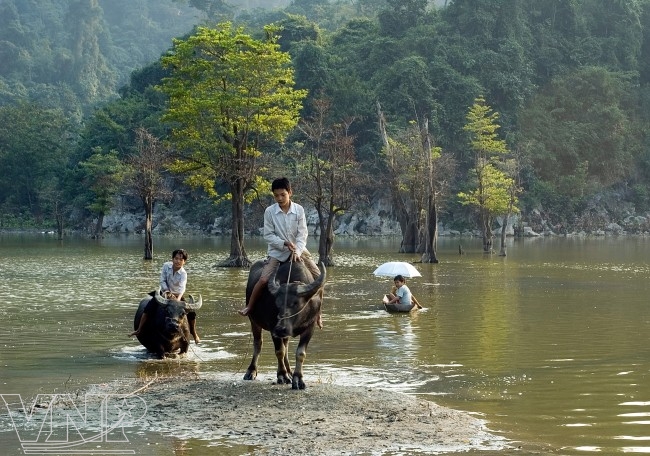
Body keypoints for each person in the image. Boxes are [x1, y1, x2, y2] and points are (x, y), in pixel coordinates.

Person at [238, 177, 323, 329]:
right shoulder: (270, 212)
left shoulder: (299, 210)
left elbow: (302, 234)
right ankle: (250, 306)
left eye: (283, 194)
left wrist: (297, 250)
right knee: (263, 280)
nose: (280, 198)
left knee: (318, 278)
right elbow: (268, 235)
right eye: (276, 195)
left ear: (290, 192)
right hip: (277, 252)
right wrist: (283, 243)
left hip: (299, 250)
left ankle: (317, 313)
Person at [129, 248, 201, 343]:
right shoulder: (166, 266)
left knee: (192, 313)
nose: (178, 261)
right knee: (148, 308)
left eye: (181, 259)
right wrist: (166, 291)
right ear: (172, 259)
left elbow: (182, 288)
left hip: (177, 295)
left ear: (184, 262)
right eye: (176, 258)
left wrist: (177, 301)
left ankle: (194, 333)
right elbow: (162, 280)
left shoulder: (183, 273)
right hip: (164, 293)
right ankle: (139, 329)